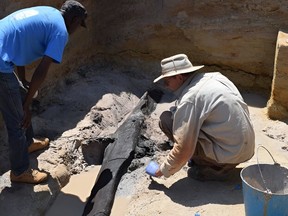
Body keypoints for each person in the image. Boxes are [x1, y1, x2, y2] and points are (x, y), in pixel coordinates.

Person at [0, 0, 87, 184]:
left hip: (3, 50)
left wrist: (23, 83)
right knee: (16, 119)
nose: (78, 29)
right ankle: (19, 171)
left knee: (22, 94)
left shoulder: (49, 13)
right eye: (79, 24)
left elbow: (19, 46)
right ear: (74, 19)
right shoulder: (60, 31)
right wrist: (27, 105)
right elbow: (42, 70)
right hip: (1, 63)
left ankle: (28, 142)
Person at [146, 54, 255, 181]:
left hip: (229, 155)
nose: (165, 85)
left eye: (167, 81)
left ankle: (214, 168)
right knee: (178, 119)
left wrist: (162, 171)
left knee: (166, 120)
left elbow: (183, 148)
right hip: (246, 149)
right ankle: (216, 161)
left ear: (179, 77)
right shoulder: (216, 77)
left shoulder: (191, 98)